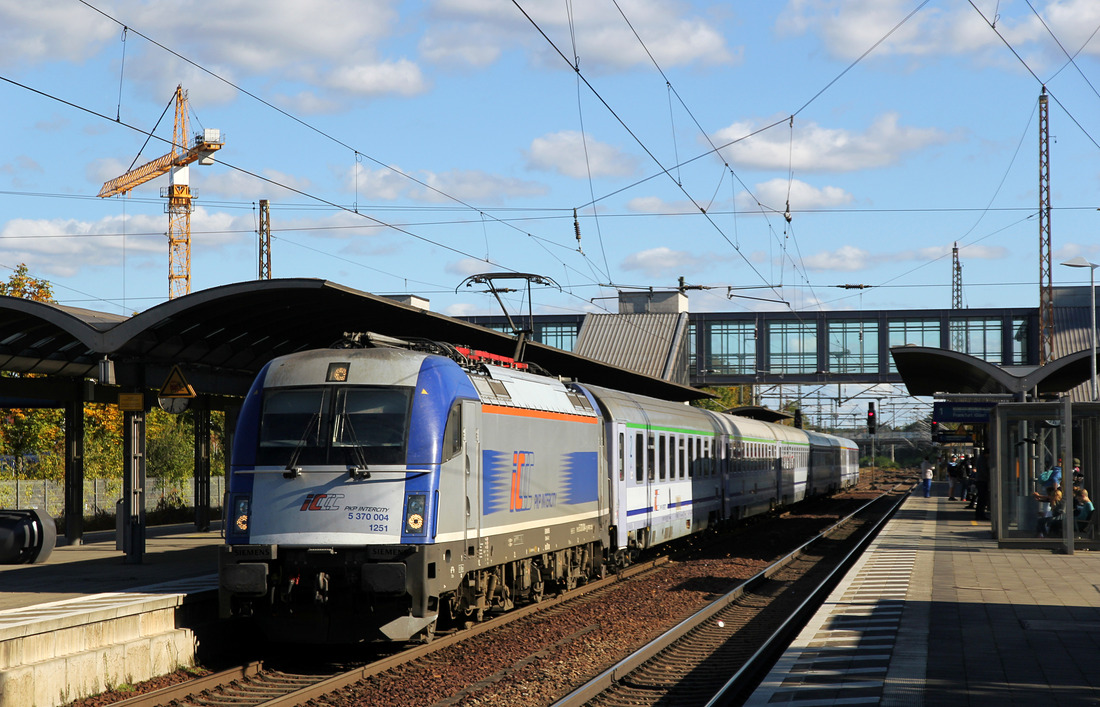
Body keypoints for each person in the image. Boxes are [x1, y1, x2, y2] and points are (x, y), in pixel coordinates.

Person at [973, 450, 990, 520]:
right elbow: (983, 470)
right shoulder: (982, 460)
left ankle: (979, 514)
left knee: (981, 499)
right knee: (982, 499)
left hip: (980, 480)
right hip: (982, 481)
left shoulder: (980, 459)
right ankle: (980, 514)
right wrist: (988, 477)